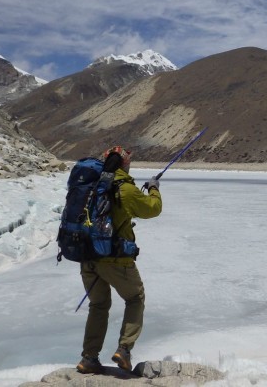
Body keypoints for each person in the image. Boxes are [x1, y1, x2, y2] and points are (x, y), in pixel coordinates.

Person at [76, 146, 162, 374]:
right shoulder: (124, 189)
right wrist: (154, 189)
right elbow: (153, 209)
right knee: (135, 297)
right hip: (114, 259)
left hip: (88, 258)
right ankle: (124, 350)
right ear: (125, 164)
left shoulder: (89, 185)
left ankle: (89, 358)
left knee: (98, 305)